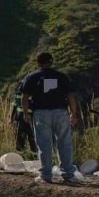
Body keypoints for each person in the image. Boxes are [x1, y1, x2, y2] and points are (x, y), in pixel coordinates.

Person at [20, 52, 79, 183]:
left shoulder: (32, 77)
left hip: (41, 113)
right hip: (60, 112)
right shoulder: (61, 76)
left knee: (44, 144)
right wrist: (73, 114)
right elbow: (70, 97)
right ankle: (68, 174)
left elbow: (24, 97)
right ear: (51, 62)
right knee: (64, 143)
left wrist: (26, 113)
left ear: (37, 62)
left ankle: (46, 175)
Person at [11, 81, 38, 153]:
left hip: (19, 117)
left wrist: (11, 118)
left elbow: (14, 106)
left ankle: (21, 154)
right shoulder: (35, 92)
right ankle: (34, 155)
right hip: (30, 118)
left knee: (20, 138)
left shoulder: (18, 92)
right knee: (32, 137)